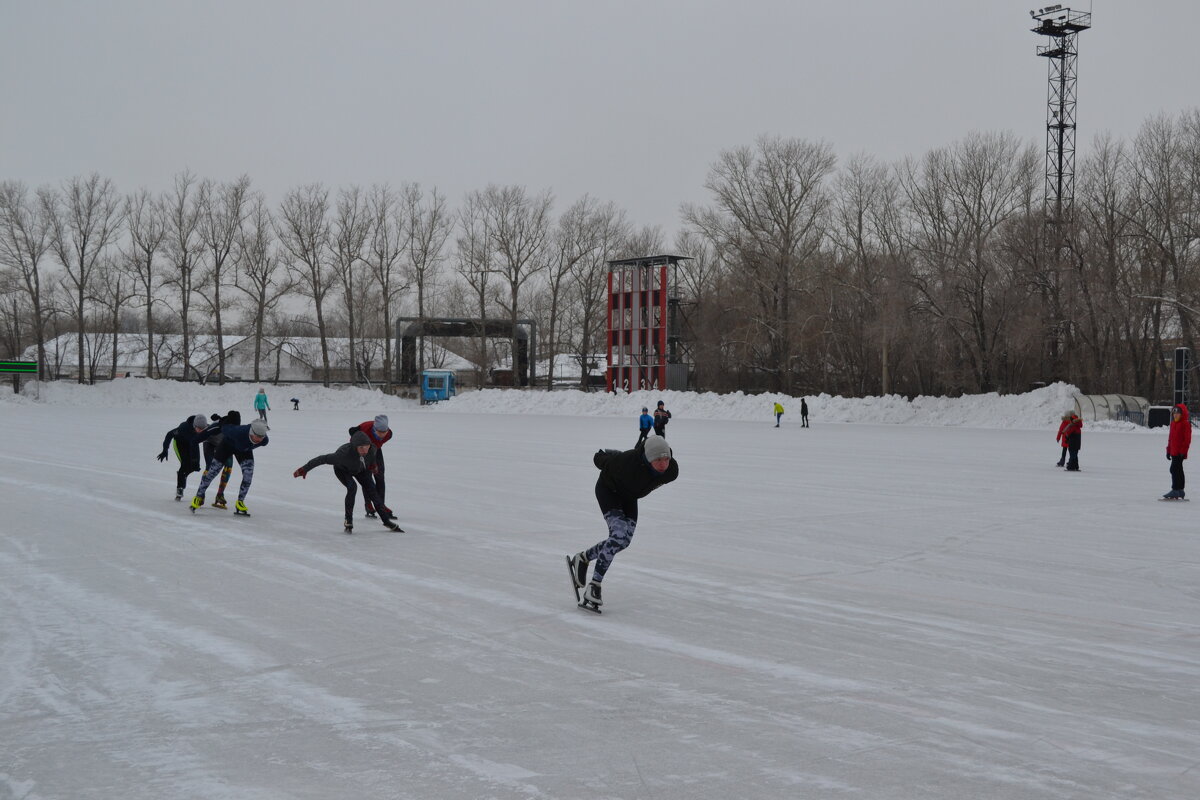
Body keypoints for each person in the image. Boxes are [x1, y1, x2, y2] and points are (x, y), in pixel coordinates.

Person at [567, 435, 679, 610]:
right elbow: (604, 460)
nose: (664, 464)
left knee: (624, 541)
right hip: (608, 490)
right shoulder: (627, 465)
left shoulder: (671, 471)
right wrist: (602, 455)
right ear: (648, 459)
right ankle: (594, 586)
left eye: (666, 459)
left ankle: (583, 558)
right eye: (658, 460)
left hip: (629, 496)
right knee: (618, 536)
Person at [293, 431, 401, 532]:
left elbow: (372, 457)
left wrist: (373, 465)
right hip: (343, 470)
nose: (364, 450)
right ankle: (348, 520)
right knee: (352, 487)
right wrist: (304, 469)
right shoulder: (342, 455)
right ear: (354, 447)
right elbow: (322, 459)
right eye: (361, 448)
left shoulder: (372, 448)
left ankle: (386, 521)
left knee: (373, 491)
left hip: (361, 469)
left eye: (366, 447)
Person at [190, 418, 270, 515]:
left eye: (262, 437)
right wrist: (222, 421)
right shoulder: (237, 432)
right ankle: (198, 497)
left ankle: (240, 502)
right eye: (258, 437)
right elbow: (223, 427)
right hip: (226, 446)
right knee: (212, 472)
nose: (260, 439)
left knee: (248, 475)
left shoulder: (264, 440)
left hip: (244, 450)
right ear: (252, 433)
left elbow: (260, 439)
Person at [157, 411, 210, 501]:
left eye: (203, 429)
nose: (201, 431)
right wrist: (165, 449)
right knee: (185, 464)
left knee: (195, 466)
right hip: (180, 444)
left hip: (193, 443)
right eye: (199, 429)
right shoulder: (183, 428)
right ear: (194, 426)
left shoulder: (206, 428)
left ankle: (183, 475)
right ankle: (180, 488)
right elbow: (169, 434)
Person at [348, 414, 392, 518]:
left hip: (375, 449)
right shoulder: (363, 430)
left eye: (384, 432)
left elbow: (377, 445)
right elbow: (352, 433)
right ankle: (368, 505)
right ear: (374, 429)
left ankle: (381, 505)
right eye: (379, 432)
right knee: (367, 478)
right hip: (361, 449)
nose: (382, 435)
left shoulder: (389, 435)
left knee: (380, 476)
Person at [202, 411, 239, 509]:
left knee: (229, 467)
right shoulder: (221, 427)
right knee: (210, 468)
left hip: (222, 444)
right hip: (209, 442)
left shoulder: (235, 430)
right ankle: (201, 494)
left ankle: (220, 495)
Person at [1164, 403, 1191, 499]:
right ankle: (1180, 490)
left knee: (1174, 469)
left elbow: (1187, 439)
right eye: (1174, 413)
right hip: (1174, 451)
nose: (1175, 415)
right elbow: (1170, 439)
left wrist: (1183, 451)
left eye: (1178, 413)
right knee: (1178, 469)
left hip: (1180, 452)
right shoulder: (1173, 424)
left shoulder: (1185, 424)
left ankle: (1175, 489)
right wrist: (1168, 450)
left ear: (1182, 414)